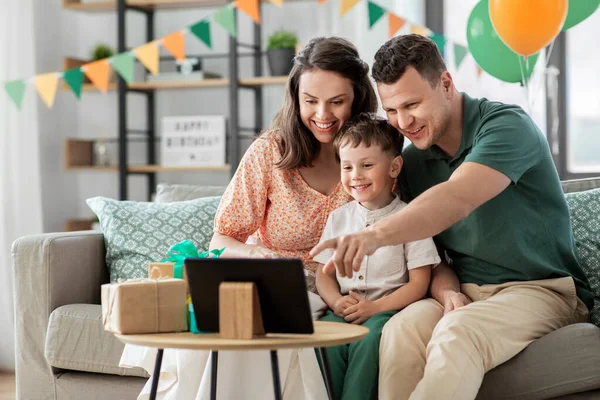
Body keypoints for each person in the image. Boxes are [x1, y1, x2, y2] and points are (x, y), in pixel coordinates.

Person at [309, 34, 593, 400]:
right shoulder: (410, 162)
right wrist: (448, 292)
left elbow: (457, 198)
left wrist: (374, 236)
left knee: (457, 333)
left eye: (412, 104)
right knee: (400, 330)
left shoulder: (506, 127)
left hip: (542, 289)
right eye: (392, 110)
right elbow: (432, 254)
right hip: (466, 290)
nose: (403, 121)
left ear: (445, 84)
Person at [120, 36, 379, 400]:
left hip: (329, 288)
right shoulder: (270, 152)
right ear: (295, 98)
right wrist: (257, 255)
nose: (322, 115)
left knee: (264, 325)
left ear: (358, 99)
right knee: (234, 322)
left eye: (337, 102)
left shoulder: (374, 156)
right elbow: (221, 239)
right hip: (267, 278)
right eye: (310, 101)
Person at [313, 113, 440, 400]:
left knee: (368, 342)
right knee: (322, 339)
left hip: (386, 311)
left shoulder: (411, 218)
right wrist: (336, 301)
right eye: (347, 167)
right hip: (342, 311)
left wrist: (375, 308)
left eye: (367, 165)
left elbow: (419, 283)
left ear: (395, 167)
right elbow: (324, 274)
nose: (355, 175)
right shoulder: (339, 218)